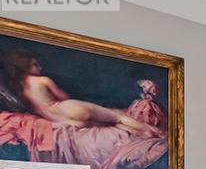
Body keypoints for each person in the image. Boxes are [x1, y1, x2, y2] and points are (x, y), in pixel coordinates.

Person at [3, 49, 160, 137]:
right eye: (35, 65)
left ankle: (144, 134)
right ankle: (154, 132)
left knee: (111, 124)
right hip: (68, 109)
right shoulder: (43, 80)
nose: (40, 68)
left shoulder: (20, 91)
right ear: (25, 67)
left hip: (63, 121)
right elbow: (64, 98)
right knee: (117, 116)